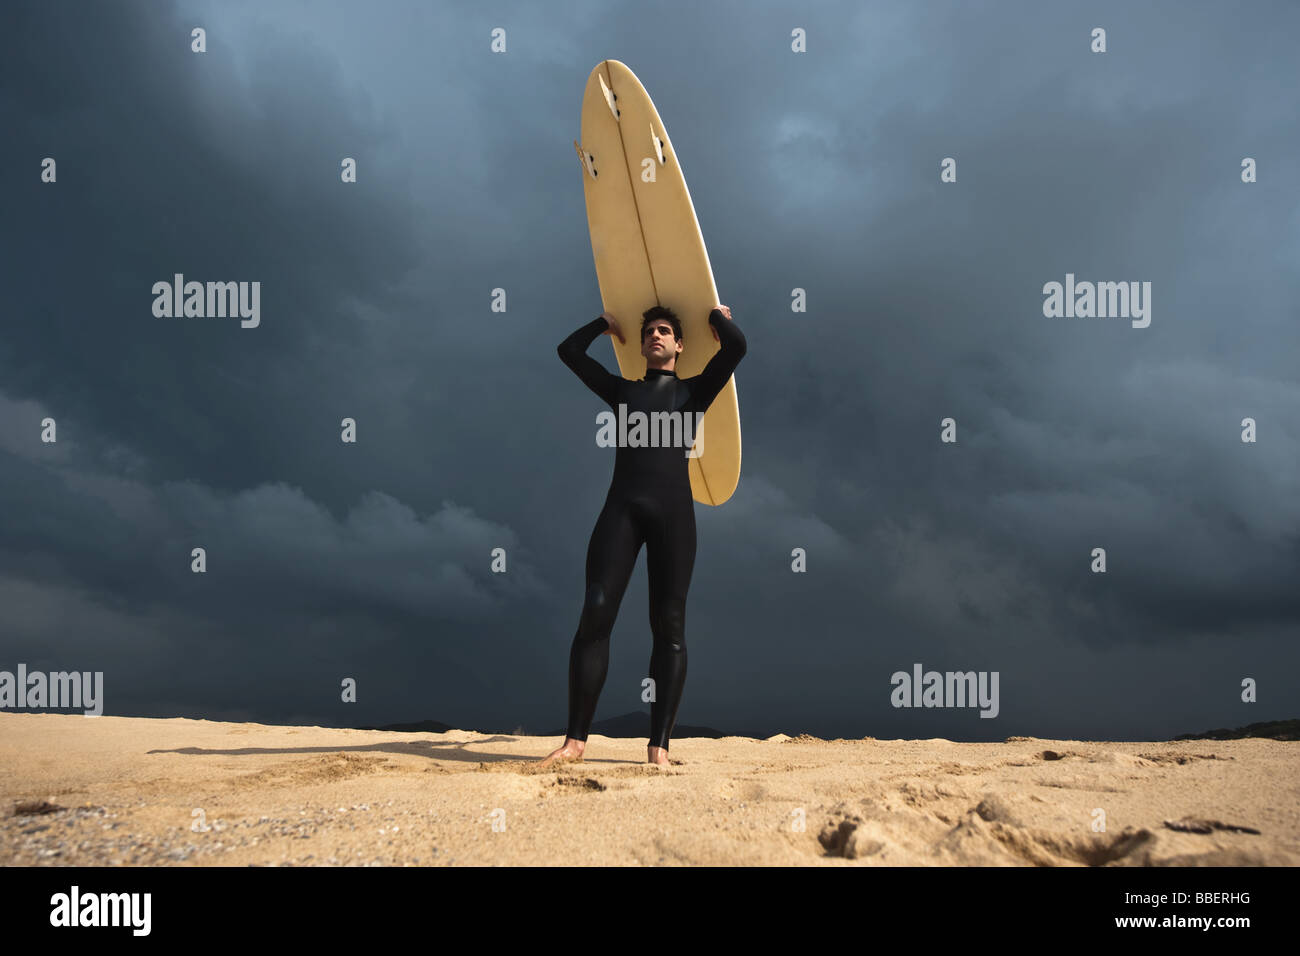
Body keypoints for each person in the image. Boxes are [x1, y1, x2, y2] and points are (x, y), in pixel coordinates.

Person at [542, 303, 746, 767]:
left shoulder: (695, 393)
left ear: (678, 345)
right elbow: (568, 351)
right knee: (595, 612)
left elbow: (738, 348)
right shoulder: (621, 392)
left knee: (669, 627)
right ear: (640, 345)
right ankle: (575, 741)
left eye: (666, 331)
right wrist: (603, 324)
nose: (656, 335)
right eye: (649, 331)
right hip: (622, 511)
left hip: (674, 515)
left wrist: (715, 317)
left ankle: (659, 747)